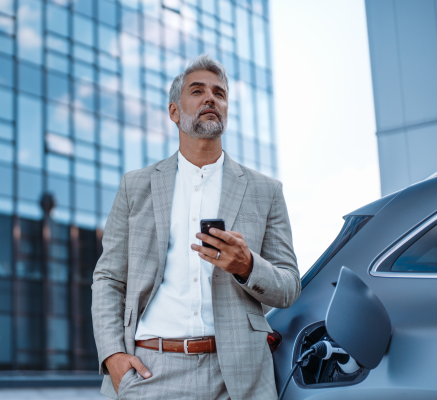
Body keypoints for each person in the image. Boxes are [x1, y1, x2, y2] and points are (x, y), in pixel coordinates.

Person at [91, 54, 300, 400]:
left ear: (226, 110)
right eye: (198, 91)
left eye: (219, 93)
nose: (210, 99)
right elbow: (109, 278)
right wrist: (113, 355)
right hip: (149, 372)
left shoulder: (267, 191)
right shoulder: (135, 187)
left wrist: (247, 267)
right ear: (174, 111)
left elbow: (289, 286)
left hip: (237, 378)